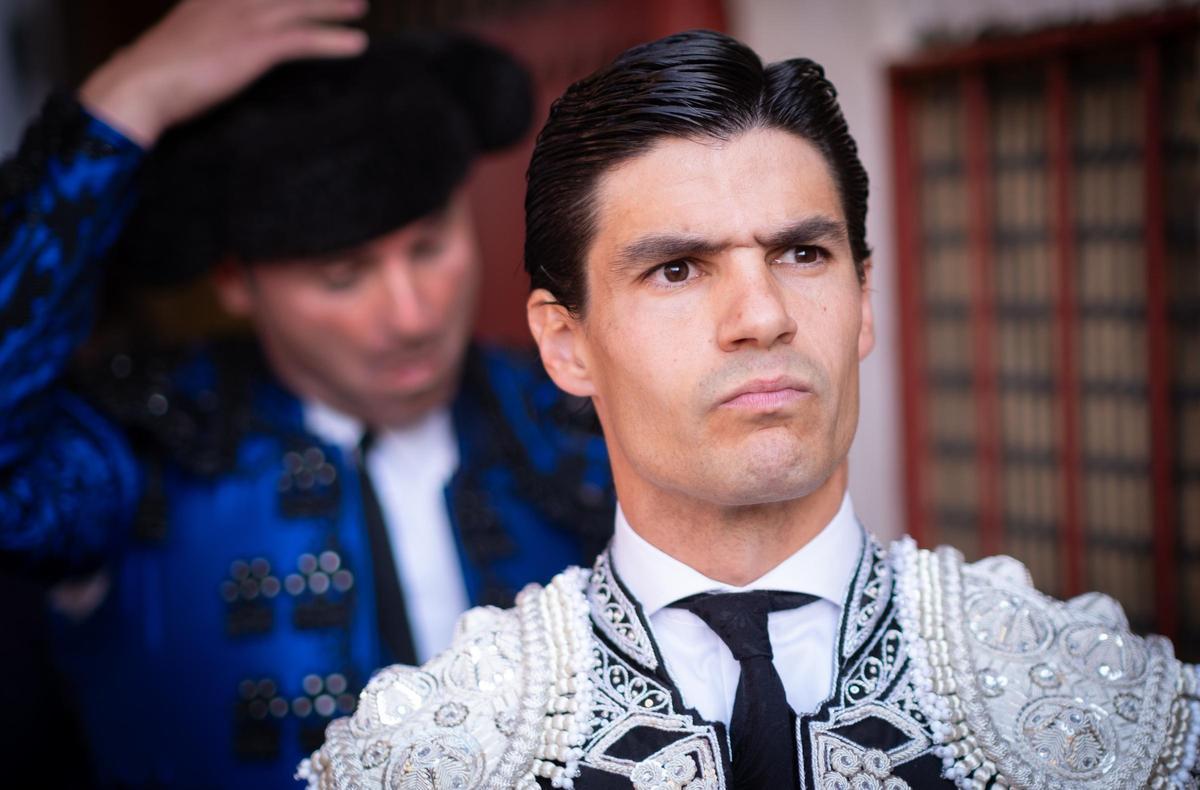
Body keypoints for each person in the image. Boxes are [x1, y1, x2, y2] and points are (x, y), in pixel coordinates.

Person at [304, 29, 1200, 789]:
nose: (764, 316)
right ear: (566, 343)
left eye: (803, 254)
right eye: (677, 269)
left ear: (864, 301)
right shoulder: (429, 754)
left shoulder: (1116, 713)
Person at [0, 0, 612, 786]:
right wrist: (126, 100)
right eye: (342, 277)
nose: (413, 315)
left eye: (430, 247)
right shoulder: (142, 446)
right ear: (235, 280)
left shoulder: (570, 409)